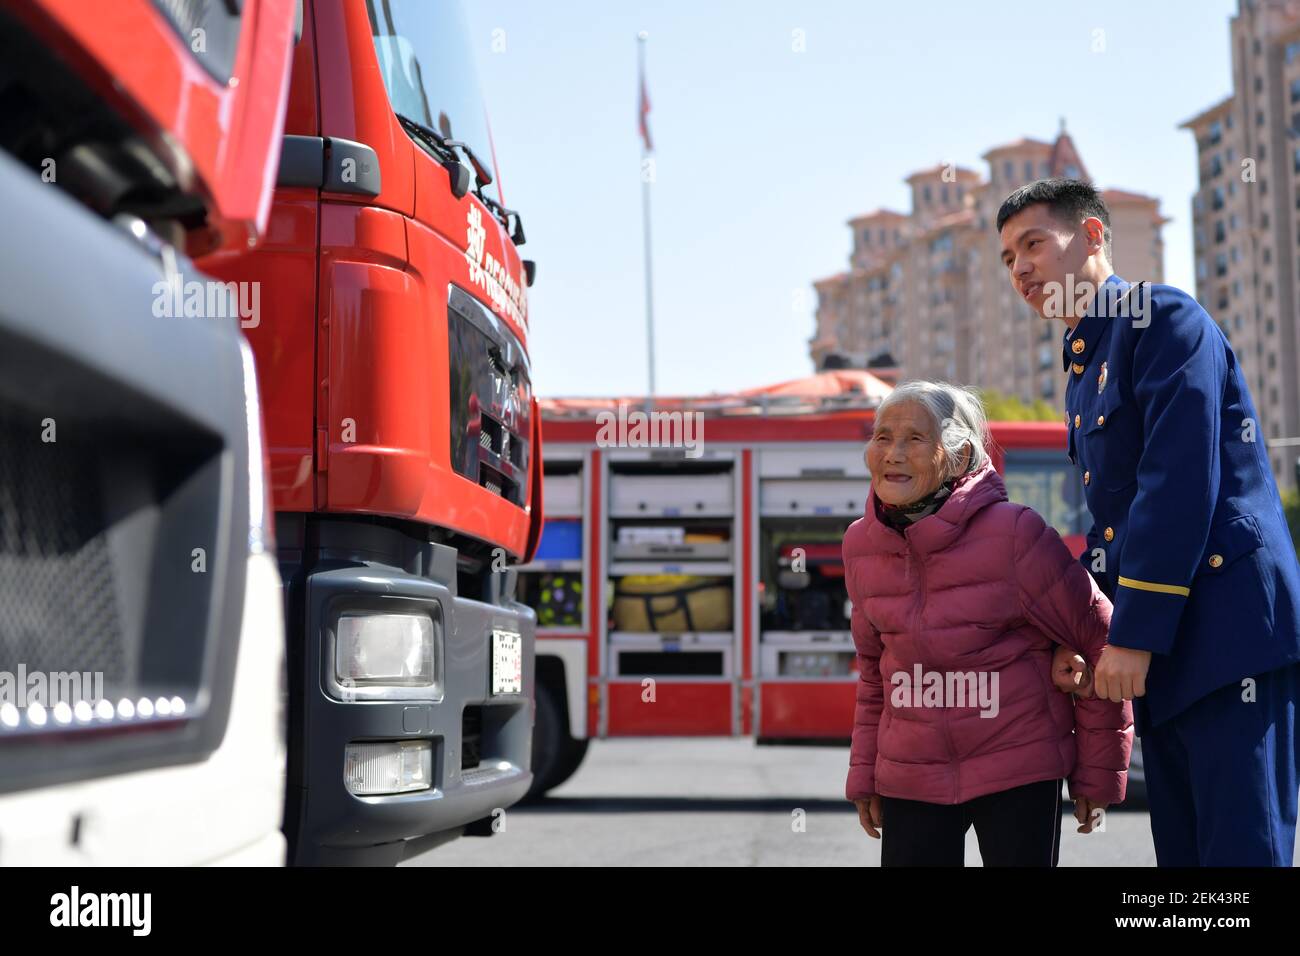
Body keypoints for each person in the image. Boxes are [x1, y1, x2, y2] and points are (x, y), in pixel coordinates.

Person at [997, 178, 1300, 866]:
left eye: (1034, 243)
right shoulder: (1085, 366)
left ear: (1095, 235)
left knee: (1239, 856)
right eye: (1008, 257)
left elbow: (1178, 481)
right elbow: (1112, 531)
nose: (1020, 269)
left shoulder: (1159, 318)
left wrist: (1130, 634)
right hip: (1166, 651)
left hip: (1227, 637)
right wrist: (1077, 632)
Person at [844, 380, 1132, 866]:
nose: (892, 453)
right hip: (911, 774)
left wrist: (1098, 775)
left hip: (1018, 769)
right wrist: (865, 775)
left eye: (915, 439)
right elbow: (875, 674)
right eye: (882, 437)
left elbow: (1100, 640)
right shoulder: (860, 545)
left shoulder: (1016, 533)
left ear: (957, 458)